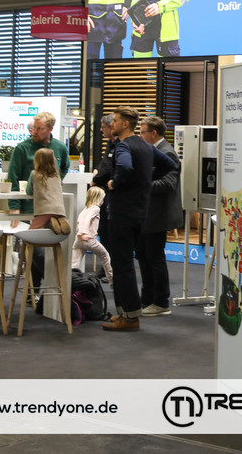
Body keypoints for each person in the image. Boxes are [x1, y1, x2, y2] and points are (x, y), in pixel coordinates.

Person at [102, 106, 177, 331]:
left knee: (122, 264)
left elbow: (124, 167)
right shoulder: (146, 146)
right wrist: (143, 182)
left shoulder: (124, 145)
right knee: (130, 262)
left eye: (115, 120)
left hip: (123, 212)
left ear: (125, 124)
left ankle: (129, 316)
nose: (112, 124)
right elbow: (171, 165)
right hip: (140, 212)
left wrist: (115, 183)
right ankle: (126, 312)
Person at [137, 115, 183, 316]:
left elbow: (168, 184)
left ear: (153, 133)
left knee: (154, 258)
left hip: (158, 215)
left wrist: (141, 185)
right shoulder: (152, 151)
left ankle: (161, 302)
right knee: (144, 257)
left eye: (142, 132)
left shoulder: (167, 153)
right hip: (147, 214)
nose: (140, 136)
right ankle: (147, 299)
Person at [6, 112, 69, 224]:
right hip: (28, 207)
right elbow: (13, 177)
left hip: (51, 208)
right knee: (27, 234)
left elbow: (64, 167)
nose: (35, 132)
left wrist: (54, 181)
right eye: (34, 127)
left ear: (50, 129)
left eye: (40, 129)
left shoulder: (60, 148)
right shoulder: (22, 149)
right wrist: (14, 207)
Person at [90, 113, 117, 280]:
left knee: (111, 233)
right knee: (104, 231)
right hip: (106, 192)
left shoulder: (120, 145)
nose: (101, 130)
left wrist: (96, 178)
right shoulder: (110, 144)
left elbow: (109, 168)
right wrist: (98, 173)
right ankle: (106, 267)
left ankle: (112, 269)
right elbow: (105, 163)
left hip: (115, 194)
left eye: (103, 127)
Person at [73, 186, 113, 284]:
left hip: (78, 240)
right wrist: (84, 233)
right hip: (90, 240)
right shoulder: (95, 209)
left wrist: (79, 233)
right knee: (105, 256)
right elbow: (87, 221)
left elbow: (80, 221)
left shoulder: (86, 209)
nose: (103, 201)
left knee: (74, 262)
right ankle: (112, 279)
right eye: (102, 199)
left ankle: (71, 280)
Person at [25, 148, 66, 231]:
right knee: (51, 231)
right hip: (59, 209)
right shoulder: (57, 176)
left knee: (32, 232)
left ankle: (52, 222)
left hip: (44, 210)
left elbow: (29, 191)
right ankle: (56, 222)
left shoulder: (34, 174)